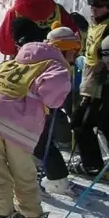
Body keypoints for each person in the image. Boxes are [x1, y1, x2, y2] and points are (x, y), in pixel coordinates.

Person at [0, 19, 70, 218]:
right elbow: (57, 87)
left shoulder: (15, 61)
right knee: (23, 169)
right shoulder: (52, 62)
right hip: (21, 124)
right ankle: (30, 213)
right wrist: (52, 100)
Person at [33, 24, 81, 195]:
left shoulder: (55, 63)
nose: (75, 54)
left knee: (41, 142)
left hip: (41, 109)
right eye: (72, 50)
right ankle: (54, 177)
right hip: (41, 108)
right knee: (41, 142)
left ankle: (57, 179)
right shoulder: (57, 63)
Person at [70, 0, 109, 177]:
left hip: (101, 83)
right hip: (90, 78)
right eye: (91, 2)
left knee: (81, 122)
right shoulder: (97, 23)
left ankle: (92, 165)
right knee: (102, 123)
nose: (93, 7)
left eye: (98, 4)